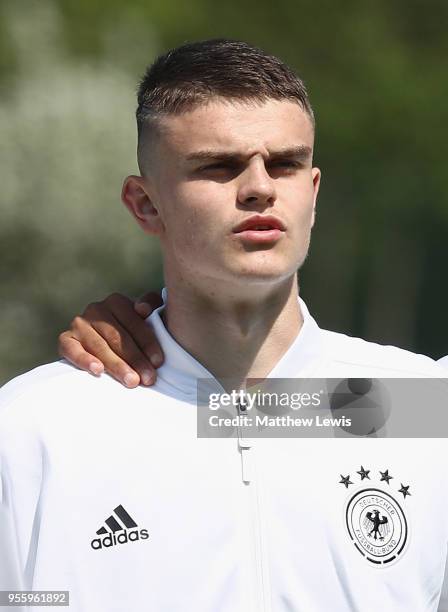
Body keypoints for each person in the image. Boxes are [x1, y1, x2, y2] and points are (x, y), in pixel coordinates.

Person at [1, 39, 447, 612]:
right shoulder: (36, 429)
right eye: (218, 165)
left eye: (285, 163)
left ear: (313, 192)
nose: (260, 187)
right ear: (145, 204)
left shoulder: (418, 403)